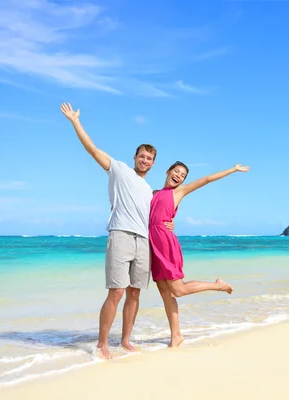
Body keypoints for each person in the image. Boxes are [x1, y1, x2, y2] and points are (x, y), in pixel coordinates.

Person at [60, 102, 174, 359]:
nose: (145, 160)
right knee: (117, 291)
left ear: (153, 163)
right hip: (121, 235)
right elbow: (92, 150)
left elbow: (159, 214)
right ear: (135, 157)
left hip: (143, 241)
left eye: (149, 158)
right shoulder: (119, 169)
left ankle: (125, 340)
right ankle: (102, 344)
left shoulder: (149, 190)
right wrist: (76, 122)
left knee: (135, 292)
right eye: (142, 156)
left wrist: (170, 224)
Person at [149, 161, 250, 347]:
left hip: (165, 244)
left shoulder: (178, 192)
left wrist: (233, 169)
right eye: (176, 171)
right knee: (165, 293)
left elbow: (206, 179)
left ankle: (217, 285)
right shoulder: (154, 194)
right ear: (168, 171)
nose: (178, 176)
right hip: (152, 246)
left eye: (183, 175)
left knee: (177, 290)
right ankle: (176, 336)